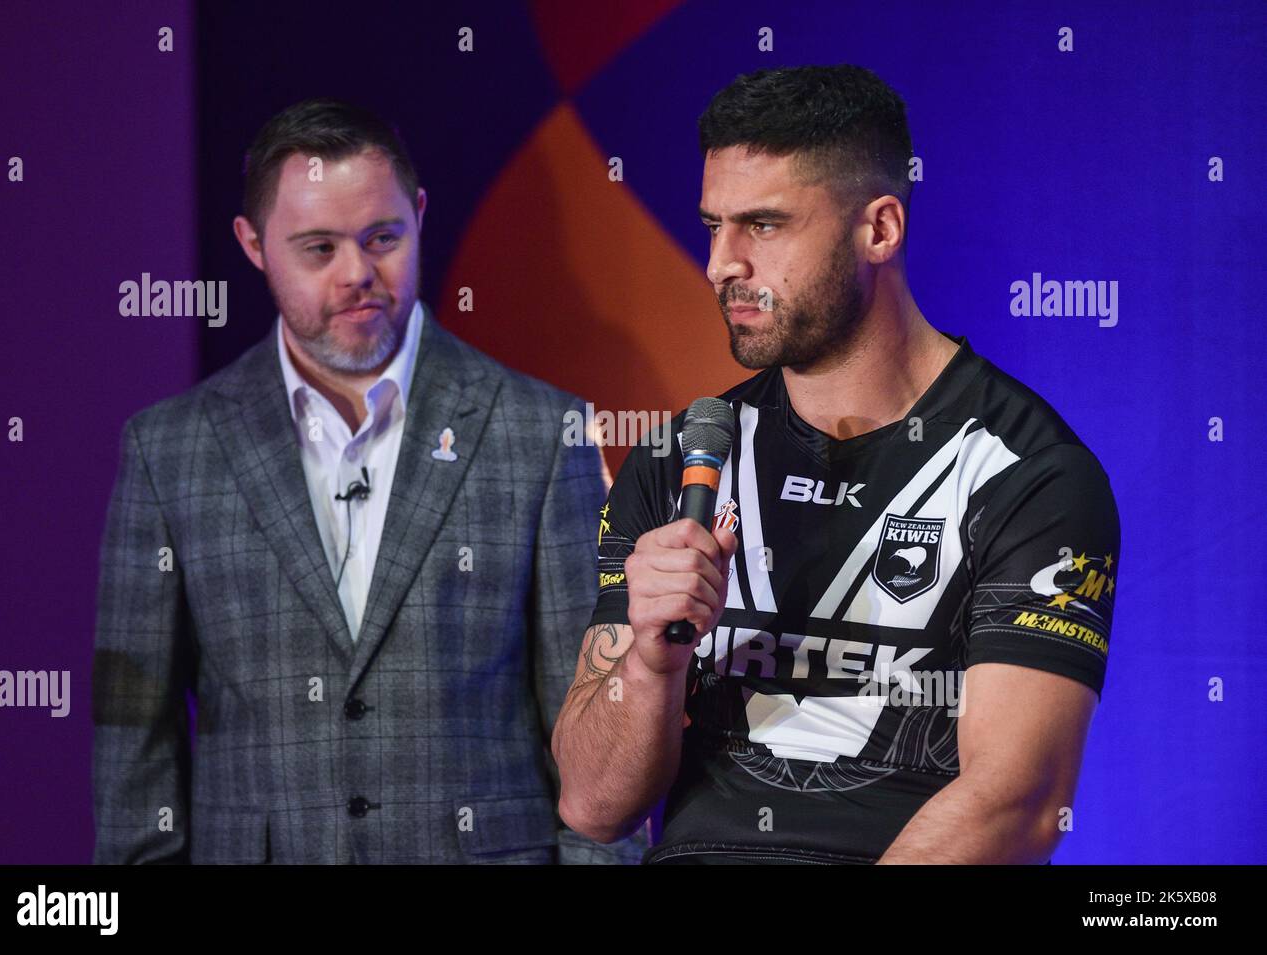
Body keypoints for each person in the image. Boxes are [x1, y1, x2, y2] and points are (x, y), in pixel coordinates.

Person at [553, 66, 1120, 864]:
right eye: (714, 224)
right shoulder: (680, 461)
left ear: (880, 229)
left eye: (764, 225)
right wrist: (652, 657)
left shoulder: (1030, 475)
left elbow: (1015, 803)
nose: (721, 263)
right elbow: (592, 804)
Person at [92, 97, 644, 864]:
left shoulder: (540, 433)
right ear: (252, 245)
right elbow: (133, 738)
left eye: (382, 237)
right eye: (317, 248)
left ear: (418, 214)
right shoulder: (168, 450)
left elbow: (596, 737)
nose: (358, 273)